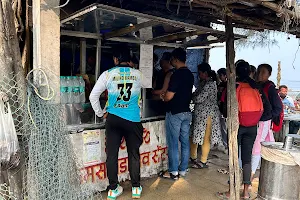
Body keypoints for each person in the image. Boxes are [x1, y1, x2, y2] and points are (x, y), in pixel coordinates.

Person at [89, 46, 147, 200]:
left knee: (112, 154)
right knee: (134, 154)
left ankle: (113, 189)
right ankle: (136, 187)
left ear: (115, 59)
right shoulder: (139, 74)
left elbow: (93, 96)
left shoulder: (107, 74)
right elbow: (146, 88)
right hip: (133, 120)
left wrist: (101, 113)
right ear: (130, 59)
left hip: (113, 119)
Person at [218, 61, 263, 199]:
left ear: (235, 72)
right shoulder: (256, 87)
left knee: (234, 158)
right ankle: (245, 193)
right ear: (249, 71)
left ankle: (231, 191)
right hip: (252, 126)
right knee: (247, 159)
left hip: (236, 126)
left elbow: (225, 109)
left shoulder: (233, 86)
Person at [160, 48, 194, 180]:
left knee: (173, 142)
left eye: (171, 59)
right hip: (186, 112)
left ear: (175, 59)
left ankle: (173, 172)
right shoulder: (190, 74)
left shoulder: (176, 75)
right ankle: (183, 169)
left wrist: (163, 97)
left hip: (175, 112)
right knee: (184, 142)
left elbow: (169, 96)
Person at [251, 64, 282, 179]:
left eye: (263, 72)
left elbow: (278, 108)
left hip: (264, 122)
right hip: (260, 121)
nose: (259, 74)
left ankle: (251, 175)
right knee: (268, 144)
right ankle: (269, 170)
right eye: (259, 71)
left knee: (256, 146)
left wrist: (267, 117)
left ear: (269, 75)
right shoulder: (258, 86)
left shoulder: (270, 88)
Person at [190, 63, 222, 169]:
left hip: (208, 115)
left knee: (205, 138)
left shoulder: (210, 84)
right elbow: (195, 95)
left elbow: (198, 98)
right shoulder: (203, 83)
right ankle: (193, 157)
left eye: (200, 73)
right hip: (200, 115)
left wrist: (192, 97)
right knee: (194, 136)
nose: (199, 75)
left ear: (205, 73)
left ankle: (203, 161)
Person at [217, 68, 228, 150]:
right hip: (220, 108)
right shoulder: (220, 85)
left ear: (225, 75)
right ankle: (224, 143)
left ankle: (226, 144)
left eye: (221, 75)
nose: (220, 77)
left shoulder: (228, 85)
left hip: (225, 110)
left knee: (224, 128)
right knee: (221, 127)